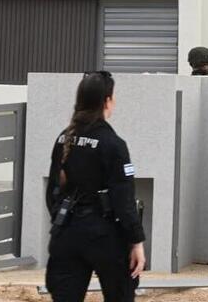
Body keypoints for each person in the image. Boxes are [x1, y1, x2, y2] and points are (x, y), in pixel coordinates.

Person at [45, 71, 146, 302]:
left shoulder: (63, 138)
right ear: (107, 101)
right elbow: (124, 200)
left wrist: (62, 219)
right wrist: (136, 241)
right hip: (105, 236)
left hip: (66, 232)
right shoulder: (113, 144)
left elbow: (52, 192)